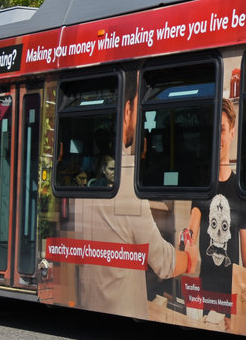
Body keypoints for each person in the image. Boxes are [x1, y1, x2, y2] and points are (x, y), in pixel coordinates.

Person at [71, 73, 197, 318]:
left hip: (88, 307)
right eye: (141, 108)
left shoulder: (85, 176)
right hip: (121, 316)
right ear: (128, 110)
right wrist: (190, 258)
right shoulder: (127, 180)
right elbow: (163, 262)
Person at [188, 97, 246, 327]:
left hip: (231, 304)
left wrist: (241, 313)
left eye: (222, 130)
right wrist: (186, 240)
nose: (219, 138)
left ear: (232, 132)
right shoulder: (201, 186)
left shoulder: (241, 192)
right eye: (214, 132)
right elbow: (192, 230)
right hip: (204, 300)